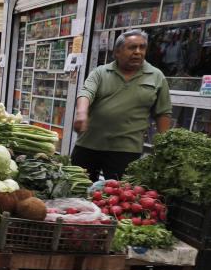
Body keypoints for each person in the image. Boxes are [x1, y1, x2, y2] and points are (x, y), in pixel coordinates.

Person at [72, 29, 172, 181]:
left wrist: (162, 147)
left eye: (142, 47)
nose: (138, 52)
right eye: (132, 47)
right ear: (117, 52)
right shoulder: (100, 72)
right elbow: (86, 93)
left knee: (119, 196)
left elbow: (163, 112)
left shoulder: (156, 76)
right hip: (89, 144)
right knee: (75, 188)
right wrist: (81, 113)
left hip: (126, 149)